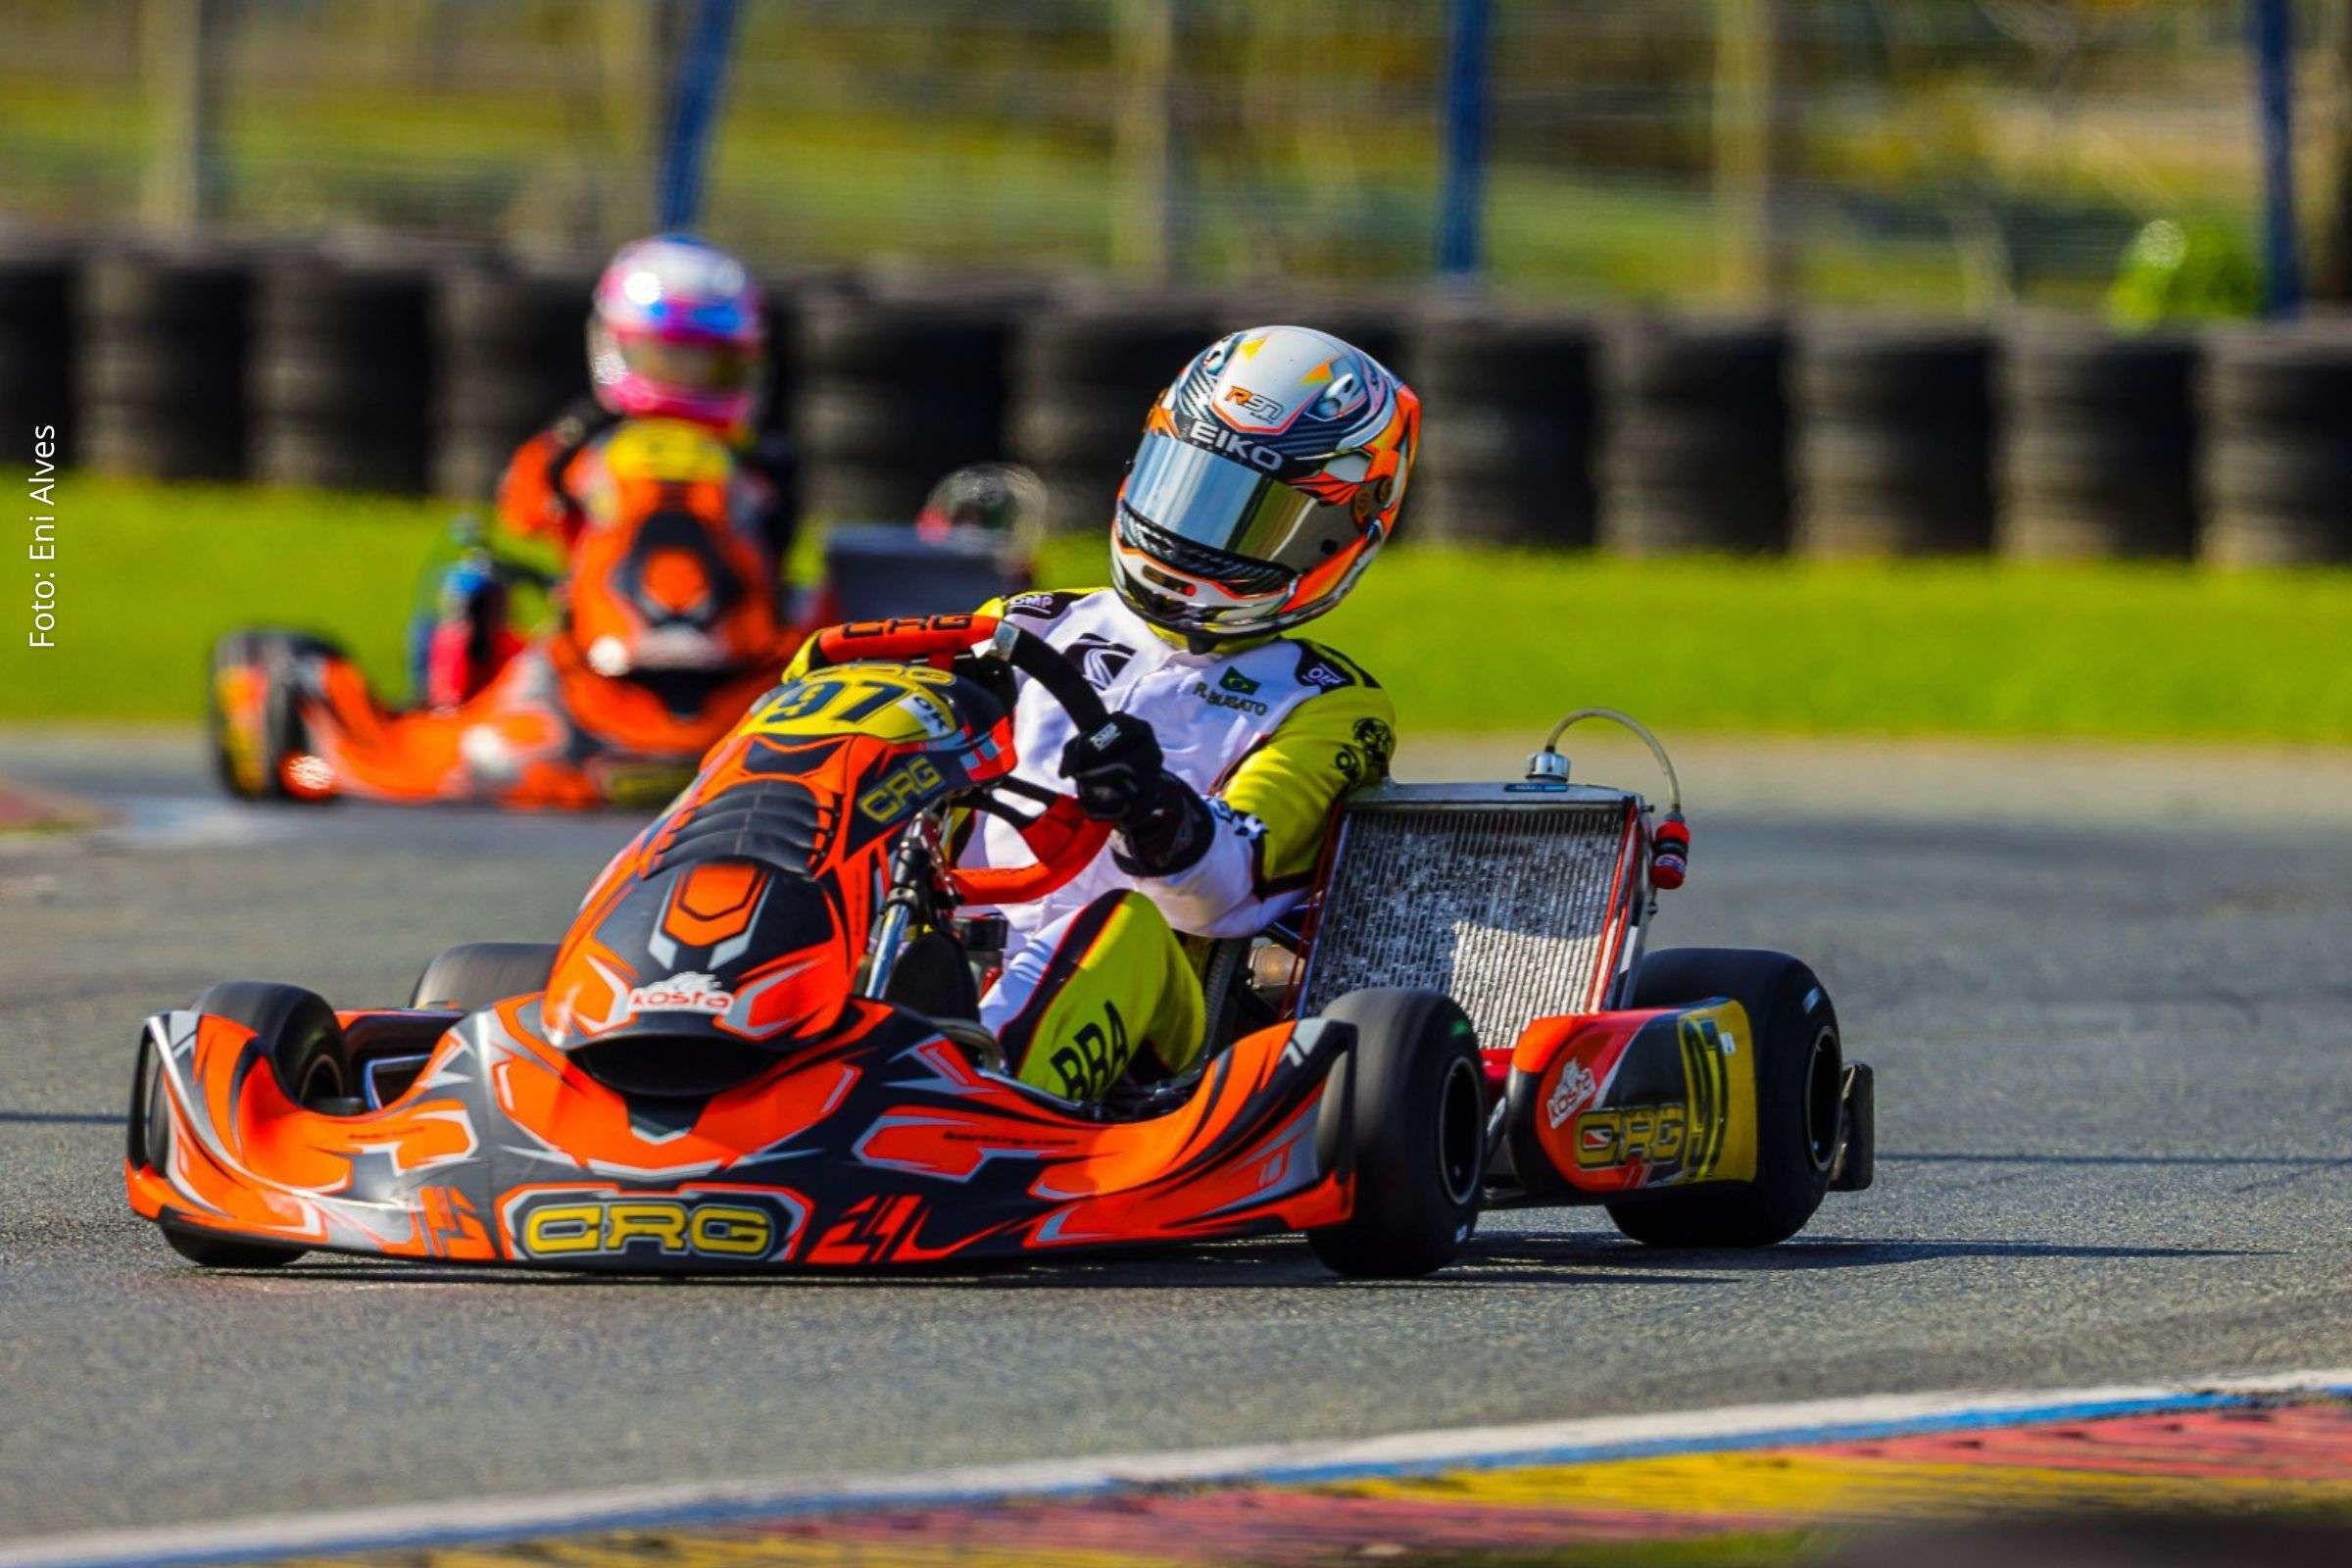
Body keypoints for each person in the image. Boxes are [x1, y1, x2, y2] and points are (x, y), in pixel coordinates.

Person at [789, 324, 1418, 1102]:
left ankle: (961, 1101)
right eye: (1187, 488)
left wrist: (1155, 812)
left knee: (1123, 922)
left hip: (1156, 1025)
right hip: (956, 951)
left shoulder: (1324, 702)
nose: (1195, 533)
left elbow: (1222, 887)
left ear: (1336, 533)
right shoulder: (1025, 624)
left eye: (1249, 518)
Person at [420, 234, 795, 709]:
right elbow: (521, 515)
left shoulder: (758, 464)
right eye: (669, 358)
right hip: (588, 660)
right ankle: (448, 707)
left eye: (708, 365)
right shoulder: (576, 447)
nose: (687, 375)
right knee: (468, 582)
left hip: (742, 663)